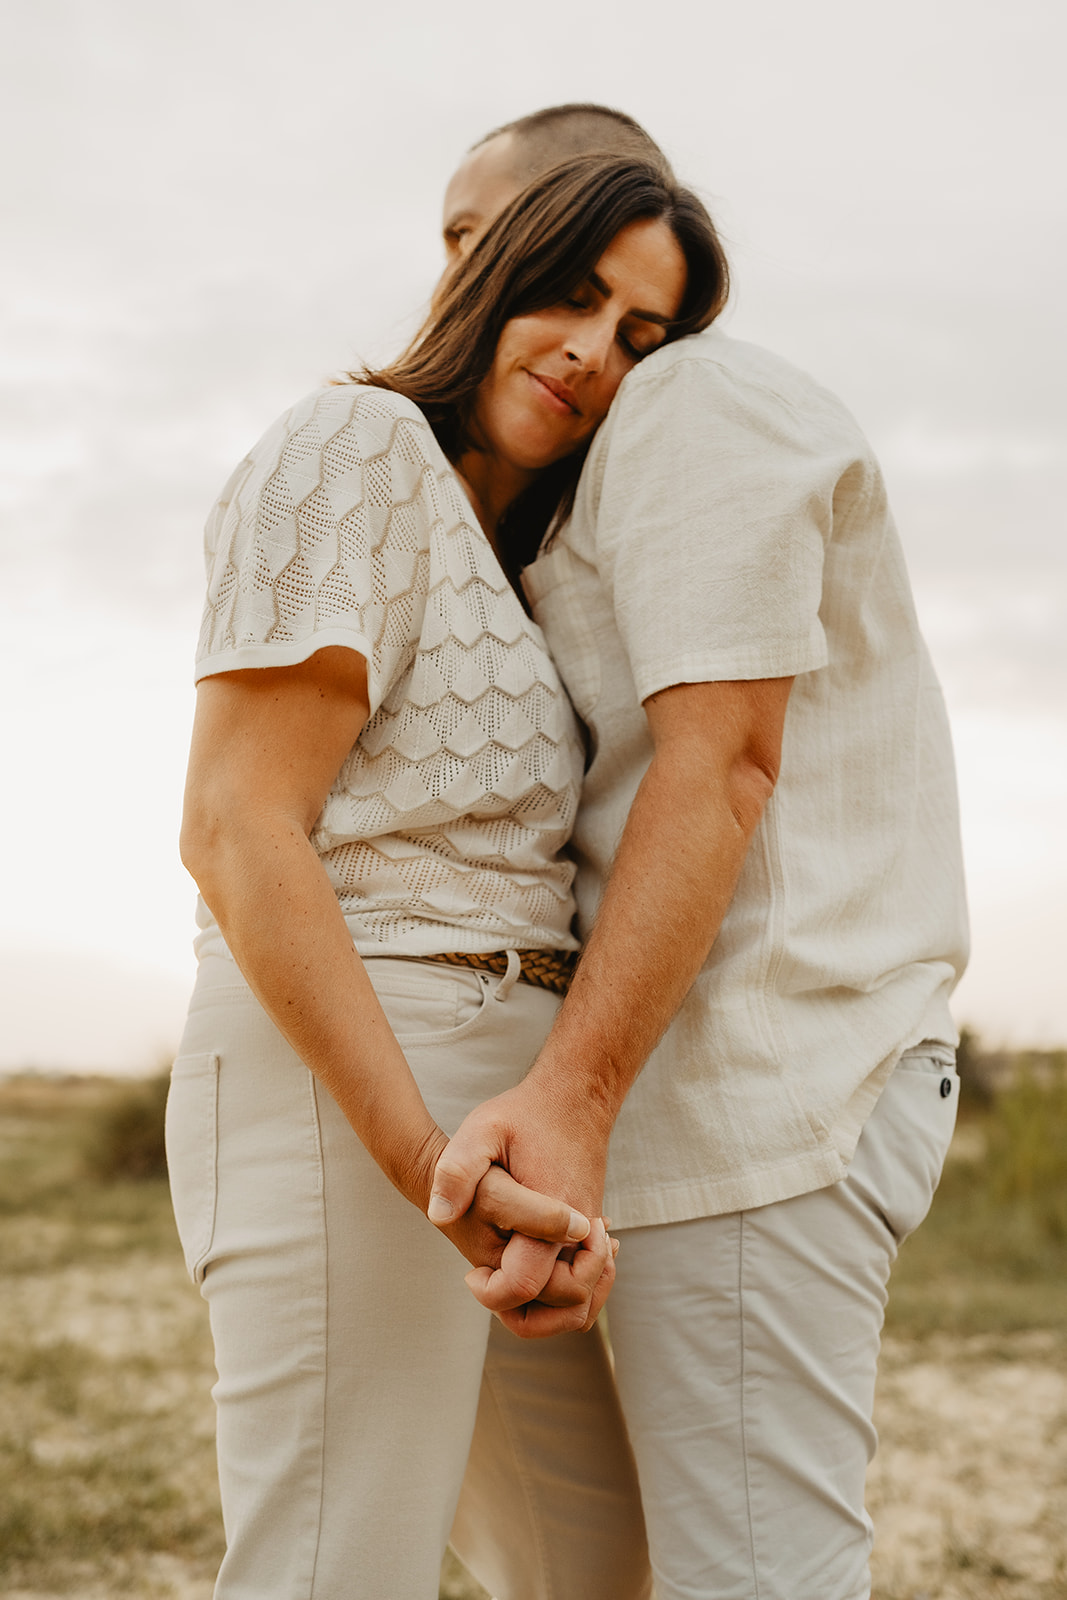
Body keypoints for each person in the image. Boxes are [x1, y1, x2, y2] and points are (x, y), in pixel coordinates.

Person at [166, 152, 728, 1599]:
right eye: (573, 297)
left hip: (499, 1123)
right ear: (493, 274)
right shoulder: (355, 447)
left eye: (641, 340)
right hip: (357, 1072)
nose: (592, 354)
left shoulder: (532, 564)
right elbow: (236, 826)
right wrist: (423, 1157)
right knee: (333, 1569)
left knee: (594, 1566)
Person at [431, 106, 970, 1599]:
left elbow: (721, 764)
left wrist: (570, 1097)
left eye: (490, 237)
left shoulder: (696, 406)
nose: (465, 273)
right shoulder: (584, 466)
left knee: (755, 1575)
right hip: (717, 1089)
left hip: (764, 1074)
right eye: (453, 241)